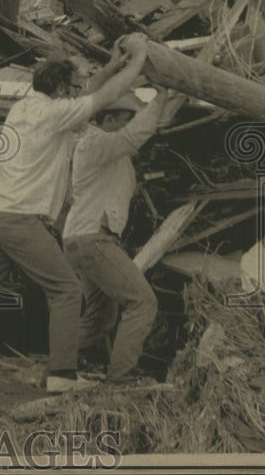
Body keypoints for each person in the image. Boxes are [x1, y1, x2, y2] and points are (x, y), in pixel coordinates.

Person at [0, 33, 149, 395]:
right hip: (19, 219)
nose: (76, 92)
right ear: (60, 90)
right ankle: (62, 375)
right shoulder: (54, 115)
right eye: (72, 87)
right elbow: (104, 97)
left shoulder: (25, 106)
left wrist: (113, 65)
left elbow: (86, 97)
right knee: (66, 290)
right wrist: (138, 60)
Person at [62, 88, 171, 384]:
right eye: (126, 118)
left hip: (84, 239)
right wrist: (161, 96)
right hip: (93, 239)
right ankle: (120, 379)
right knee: (142, 303)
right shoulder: (96, 142)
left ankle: (59, 368)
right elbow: (133, 135)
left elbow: (144, 132)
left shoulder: (113, 153)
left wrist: (171, 100)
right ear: (108, 119)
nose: (130, 124)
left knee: (101, 315)